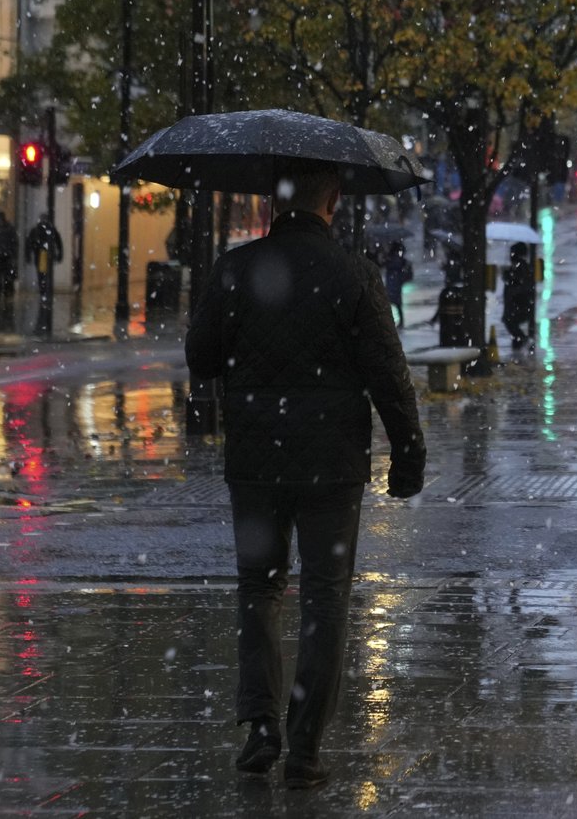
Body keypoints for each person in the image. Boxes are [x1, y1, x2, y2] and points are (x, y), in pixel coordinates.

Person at [185, 162, 426, 788]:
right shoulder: (354, 275)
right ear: (335, 201)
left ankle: (260, 724)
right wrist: (408, 449)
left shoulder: (237, 268)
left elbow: (201, 356)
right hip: (332, 464)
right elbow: (388, 373)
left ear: (273, 201)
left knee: (259, 590)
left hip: (256, 459)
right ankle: (306, 748)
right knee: (325, 596)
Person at [500, 241, 535, 347]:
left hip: (519, 305)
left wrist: (509, 279)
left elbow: (522, 285)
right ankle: (519, 343)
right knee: (510, 322)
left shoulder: (522, 267)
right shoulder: (517, 266)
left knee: (509, 321)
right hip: (516, 305)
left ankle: (522, 340)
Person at [25, 212, 63, 301]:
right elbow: (58, 243)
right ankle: (45, 291)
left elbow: (29, 243)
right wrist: (59, 254)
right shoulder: (50, 230)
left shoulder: (37, 230)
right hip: (44, 254)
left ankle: (44, 291)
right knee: (45, 274)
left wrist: (28, 255)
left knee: (42, 274)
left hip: (41, 254)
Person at [381, 240, 413, 328]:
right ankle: (400, 322)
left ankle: (389, 322)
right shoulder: (399, 259)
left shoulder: (390, 258)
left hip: (392, 282)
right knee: (396, 304)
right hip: (396, 282)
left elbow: (384, 265)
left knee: (389, 304)